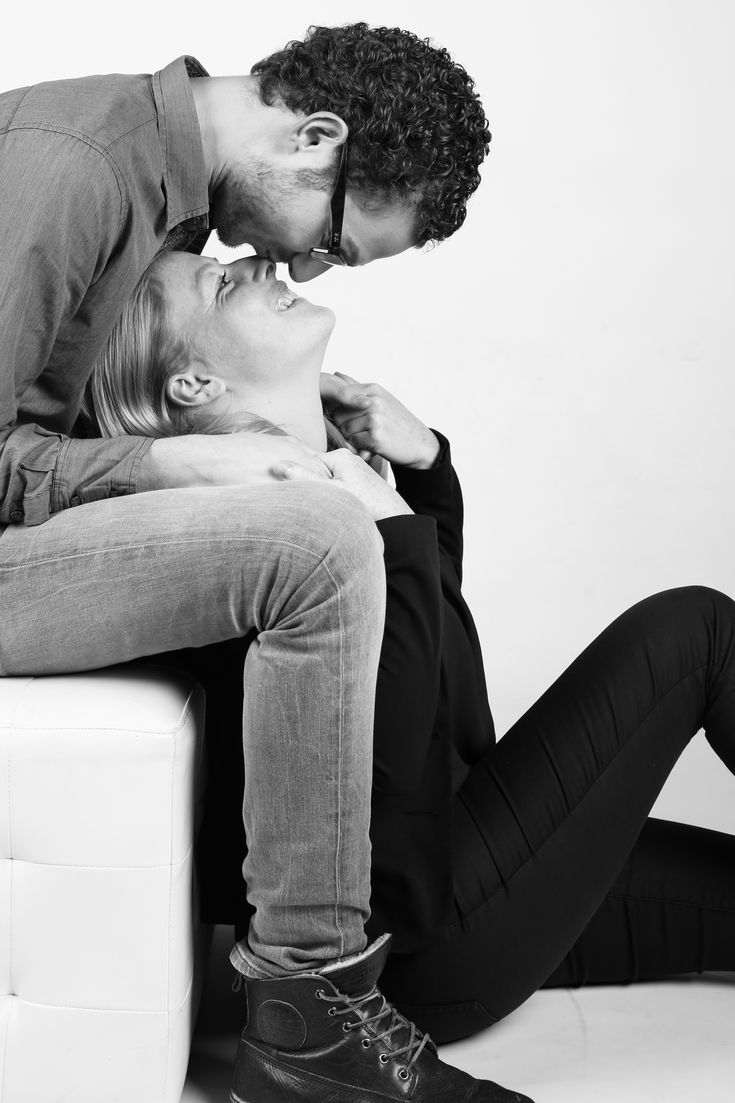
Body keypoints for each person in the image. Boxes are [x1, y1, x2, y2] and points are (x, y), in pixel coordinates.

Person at [0, 23, 513, 1103]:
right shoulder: (78, 167)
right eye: (335, 238)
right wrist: (161, 462)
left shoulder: (167, 196)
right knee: (316, 539)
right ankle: (306, 1020)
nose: (304, 268)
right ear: (314, 136)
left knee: (311, 511)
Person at [88, 248, 735, 1095]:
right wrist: (390, 534)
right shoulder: (251, 540)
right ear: (193, 385)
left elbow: (446, 693)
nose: (253, 262)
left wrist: (425, 474)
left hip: (477, 862)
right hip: (423, 944)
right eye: (219, 283)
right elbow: (386, 832)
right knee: (692, 632)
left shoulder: (329, 484)